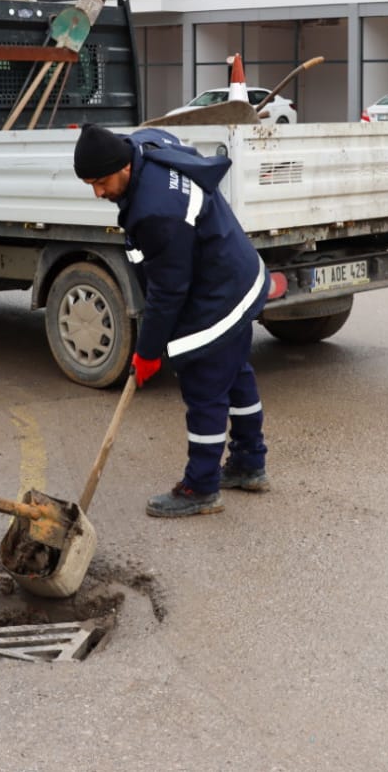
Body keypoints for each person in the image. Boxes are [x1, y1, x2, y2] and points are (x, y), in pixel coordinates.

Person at [74, 123, 270, 518]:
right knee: (235, 375)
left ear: (124, 168)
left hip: (217, 294)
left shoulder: (156, 211)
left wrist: (147, 353)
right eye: (89, 184)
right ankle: (249, 464)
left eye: (101, 182)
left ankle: (200, 488)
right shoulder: (146, 145)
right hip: (238, 273)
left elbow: (168, 292)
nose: (98, 192)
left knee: (205, 390)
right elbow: (156, 131)